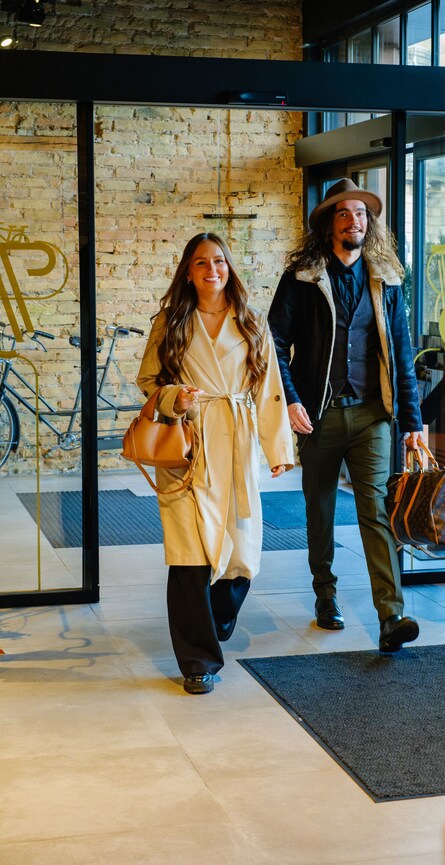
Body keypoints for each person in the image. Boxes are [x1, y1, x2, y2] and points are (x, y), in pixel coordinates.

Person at [268, 178, 424, 653]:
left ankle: (391, 615)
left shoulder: (388, 279)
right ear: (329, 225)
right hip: (319, 415)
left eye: (361, 213)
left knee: (376, 511)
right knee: (319, 509)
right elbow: (273, 343)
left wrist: (413, 422)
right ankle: (325, 596)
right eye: (344, 214)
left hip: (373, 416)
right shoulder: (303, 278)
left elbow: (400, 351)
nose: (355, 221)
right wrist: (291, 400)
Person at [137, 232, 295, 694]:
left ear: (229, 268)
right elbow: (150, 379)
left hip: (237, 444)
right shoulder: (170, 322)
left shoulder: (249, 321)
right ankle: (197, 661)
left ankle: (219, 615)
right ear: (188, 270)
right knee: (188, 555)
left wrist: (278, 449)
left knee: (241, 556)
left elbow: (269, 389)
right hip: (188, 446)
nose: (212, 269)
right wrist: (173, 397)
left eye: (219, 261)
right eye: (201, 262)